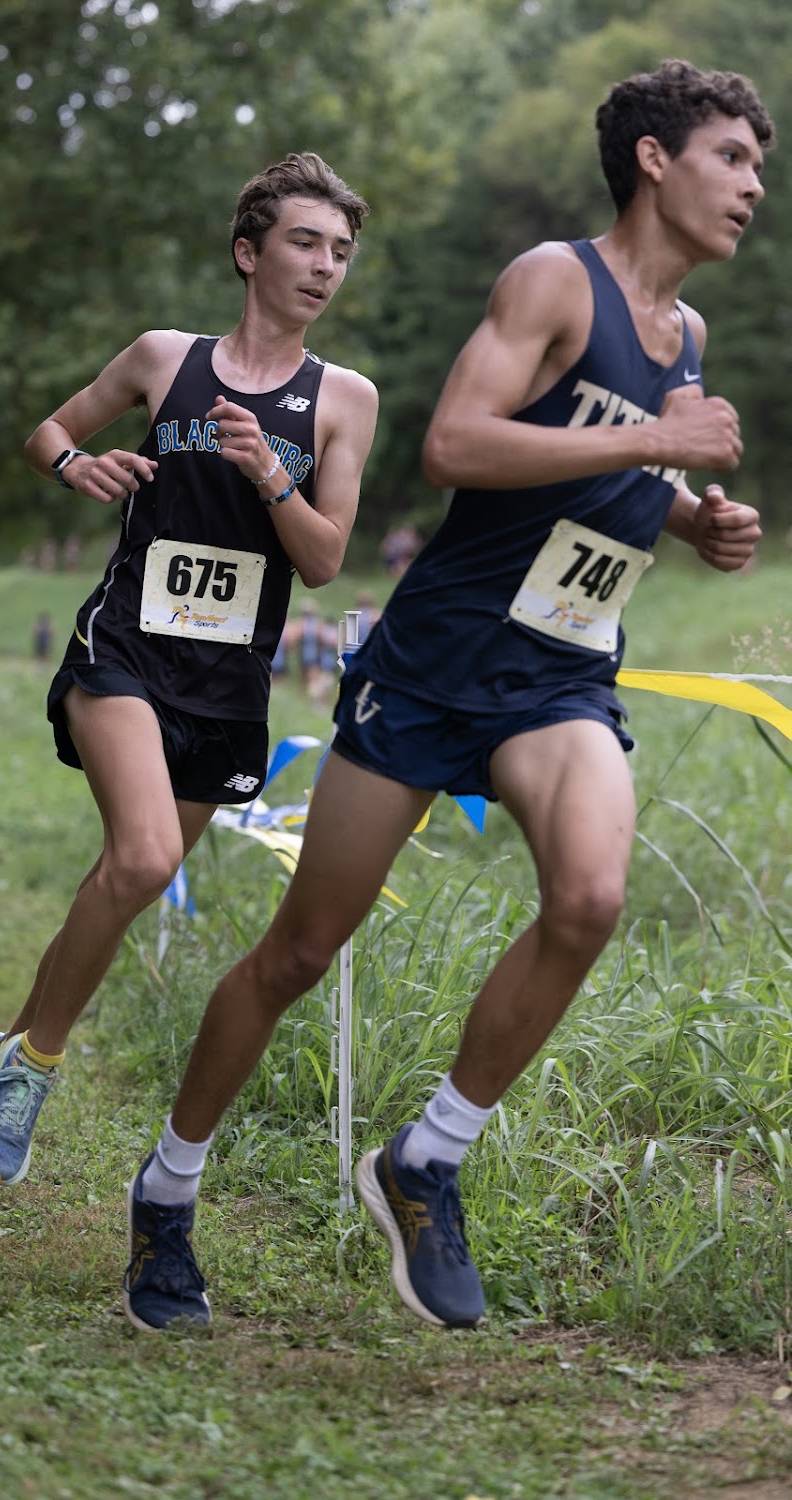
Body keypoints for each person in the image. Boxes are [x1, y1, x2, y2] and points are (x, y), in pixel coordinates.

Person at [117, 59, 772, 1334]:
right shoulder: (553, 280)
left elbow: (618, 479)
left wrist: (691, 519)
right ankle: (168, 1187)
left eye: (758, 166)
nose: (752, 186)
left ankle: (427, 1158)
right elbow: (455, 446)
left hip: (560, 669)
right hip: (435, 663)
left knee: (589, 896)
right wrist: (657, 443)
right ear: (654, 160)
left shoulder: (685, 336)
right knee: (301, 950)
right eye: (732, 158)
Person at [0, 152, 377, 1203]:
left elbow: (324, 560)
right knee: (141, 860)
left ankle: (2, 1051)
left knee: (124, 878)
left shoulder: (343, 399)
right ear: (248, 253)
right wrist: (76, 466)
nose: (325, 265)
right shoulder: (164, 359)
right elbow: (50, 432)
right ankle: (34, 1075)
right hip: (125, 649)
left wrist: (270, 474)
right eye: (305, 242)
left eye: (340, 251)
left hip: (228, 684)